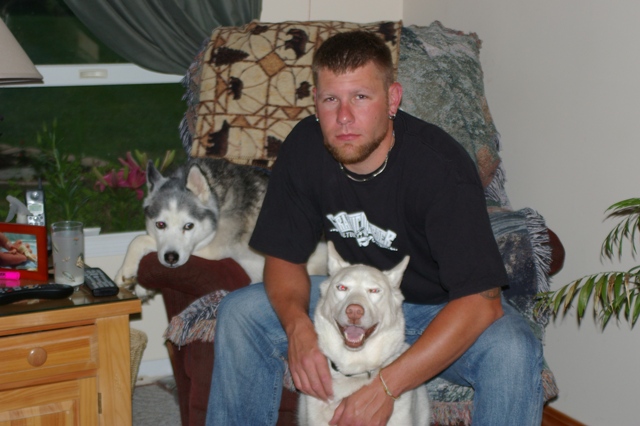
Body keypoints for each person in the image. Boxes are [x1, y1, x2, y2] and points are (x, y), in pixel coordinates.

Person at [205, 30, 543, 426]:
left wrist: (386, 386)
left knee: (514, 349)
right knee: (241, 313)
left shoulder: (440, 168)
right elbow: (283, 258)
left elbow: (481, 303)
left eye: (361, 97)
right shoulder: (304, 148)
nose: (344, 117)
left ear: (392, 99)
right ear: (316, 102)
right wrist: (298, 328)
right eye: (331, 99)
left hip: (441, 311)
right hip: (351, 294)